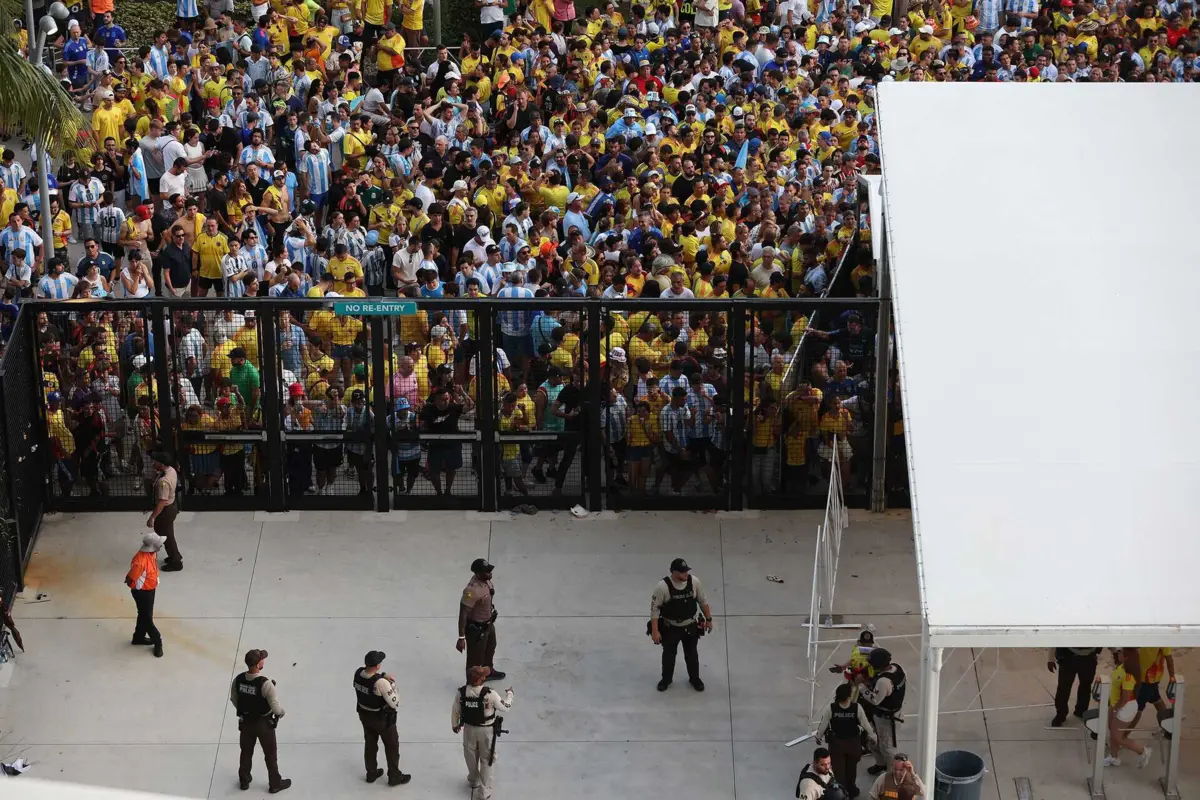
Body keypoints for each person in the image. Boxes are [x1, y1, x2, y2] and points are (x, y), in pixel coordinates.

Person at [231, 649, 292, 793]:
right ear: (258, 664)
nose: (264, 660)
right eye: (262, 659)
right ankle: (275, 784)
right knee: (270, 755)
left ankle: (244, 780)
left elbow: (234, 700)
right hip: (263, 724)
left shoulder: (238, 680)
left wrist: (245, 710)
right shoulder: (266, 684)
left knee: (246, 751)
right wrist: (282, 713)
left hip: (245, 722)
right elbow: (276, 709)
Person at [649, 557, 713, 691]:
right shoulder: (662, 587)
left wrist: (709, 619)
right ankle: (666, 679)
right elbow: (655, 609)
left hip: (690, 626)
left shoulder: (694, 582)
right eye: (682, 572)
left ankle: (695, 678)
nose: (686, 574)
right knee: (668, 656)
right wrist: (655, 631)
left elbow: (702, 601)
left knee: (692, 655)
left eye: (687, 571)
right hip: (670, 628)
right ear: (674, 572)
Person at [452, 665, 515, 800]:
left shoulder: (462, 692)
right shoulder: (489, 694)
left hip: (469, 729)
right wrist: (510, 694)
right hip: (486, 731)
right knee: (487, 759)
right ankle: (484, 791)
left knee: (470, 755)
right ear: (481, 679)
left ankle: (473, 780)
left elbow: (455, 710)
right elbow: (505, 707)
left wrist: (455, 725)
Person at [353, 650, 411, 786]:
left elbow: (368, 677)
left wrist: (383, 676)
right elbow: (394, 702)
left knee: (370, 744)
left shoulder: (358, 673)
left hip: (364, 715)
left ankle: (371, 773)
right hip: (382, 720)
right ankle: (394, 776)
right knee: (391, 746)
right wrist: (392, 685)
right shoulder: (381, 684)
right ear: (378, 665)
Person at [816, 683, 875, 797]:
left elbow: (823, 725)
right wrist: (873, 736)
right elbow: (866, 724)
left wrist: (818, 736)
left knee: (838, 772)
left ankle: (841, 794)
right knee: (851, 770)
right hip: (853, 745)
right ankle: (852, 790)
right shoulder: (857, 707)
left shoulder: (831, 708)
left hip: (837, 745)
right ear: (849, 697)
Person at [856, 648, 907, 775]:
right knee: (873, 742)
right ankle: (881, 764)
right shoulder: (897, 668)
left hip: (887, 719)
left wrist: (861, 686)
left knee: (888, 748)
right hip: (885, 714)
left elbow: (874, 700)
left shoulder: (883, 682)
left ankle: (894, 774)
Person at [457, 558, 506, 681]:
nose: (490, 573)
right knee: (475, 658)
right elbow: (463, 613)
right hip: (477, 629)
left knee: (490, 647)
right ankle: (471, 685)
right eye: (486, 571)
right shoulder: (472, 590)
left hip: (488, 623)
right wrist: (461, 638)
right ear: (478, 574)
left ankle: (487, 671)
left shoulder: (487, 581)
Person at [125, 531, 164, 658]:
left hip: (149, 590)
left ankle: (138, 637)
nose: (161, 545)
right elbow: (131, 580)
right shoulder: (140, 562)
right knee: (147, 618)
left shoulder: (152, 554)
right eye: (159, 543)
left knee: (144, 614)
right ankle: (158, 641)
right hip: (142, 593)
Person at [147, 450, 182, 571]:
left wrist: (152, 517)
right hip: (172, 506)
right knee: (169, 533)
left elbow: (162, 502)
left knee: (166, 535)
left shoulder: (163, 482)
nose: (152, 463)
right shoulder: (171, 470)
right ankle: (174, 556)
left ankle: (176, 561)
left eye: (155, 461)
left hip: (166, 510)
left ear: (162, 464)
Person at [1047, 647, 1100, 727]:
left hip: (1089, 656)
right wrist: (1050, 658)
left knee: (1085, 686)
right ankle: (1061, 714)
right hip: (1068, 656)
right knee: (1063, 687)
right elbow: (1056, 636)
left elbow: (1107, 635)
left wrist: (1115, 652)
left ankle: (1081, 711)